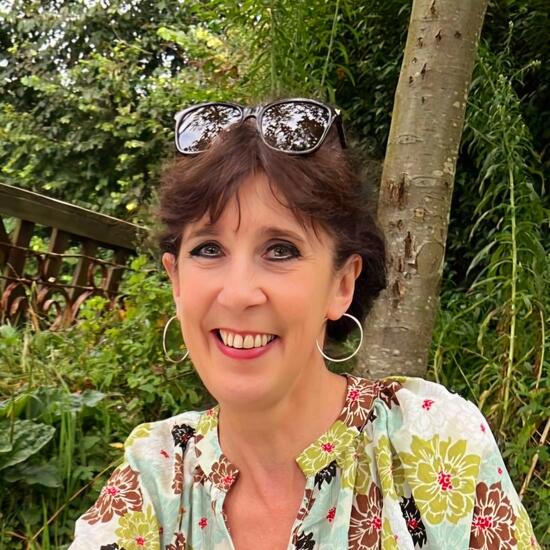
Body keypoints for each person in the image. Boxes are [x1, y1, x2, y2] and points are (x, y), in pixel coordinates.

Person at [70, 99, 539, 549]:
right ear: (176, 281)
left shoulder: (435, 442)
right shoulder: (153, 478)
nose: (238, 293)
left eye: (281, 250)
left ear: (342, 284)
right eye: (209, 249)